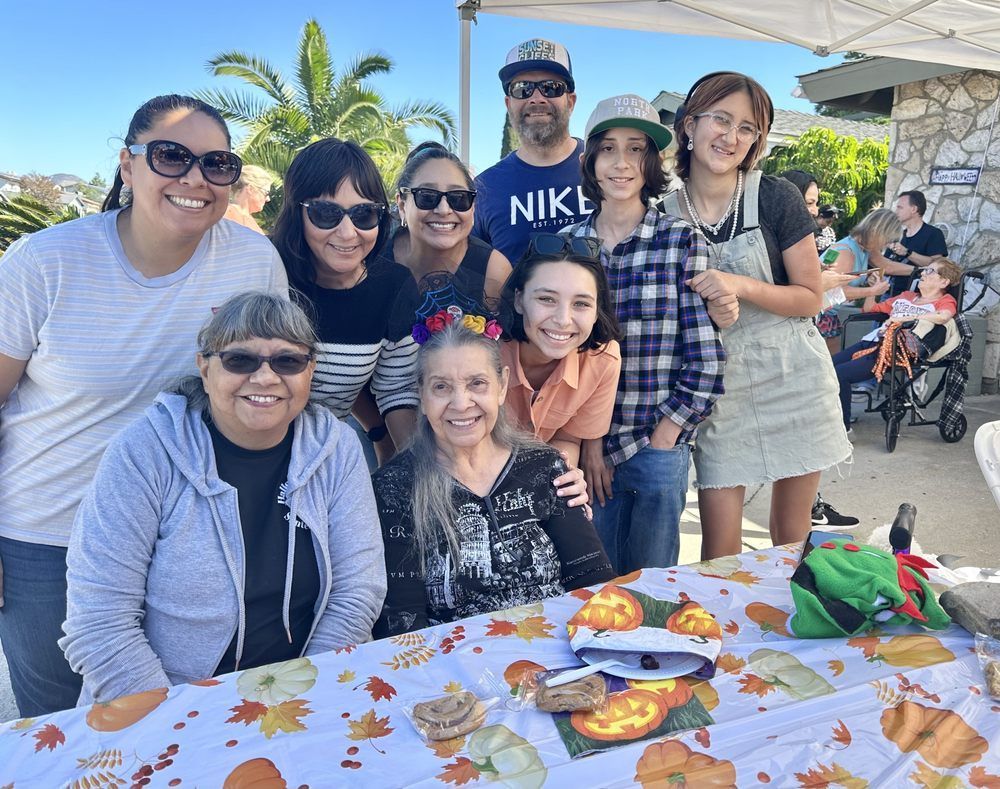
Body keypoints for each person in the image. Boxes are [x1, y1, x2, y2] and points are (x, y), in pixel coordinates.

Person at [0, 94, 287, 717]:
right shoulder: (43, 263)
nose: (194, 178)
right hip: (49, 534)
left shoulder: (252, 262)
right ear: (127, 166)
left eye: (217, 164)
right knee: (62, 727)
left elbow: (272, 389)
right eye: (170, 156)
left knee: (176, 718)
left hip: (189, 533)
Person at [60, 293, 385, 703]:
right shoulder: (144, 453)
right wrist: (181, 723)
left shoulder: (336, 449)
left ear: (310, 371)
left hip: (304, 690)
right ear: (205, 368)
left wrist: (308, 696)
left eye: (287, 361)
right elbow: (100, 622)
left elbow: (358, 590)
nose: (265, 378)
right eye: (240, 360)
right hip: (166, 701)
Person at [662, 72, 852, 560]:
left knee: (791, 539)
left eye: (748, 128)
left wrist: (738, 285)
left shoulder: (776, 196)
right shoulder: (661, 214)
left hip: (794, 375)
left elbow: (810, 296)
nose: (731, 137)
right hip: (717, 390)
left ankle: (790, 631)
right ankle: (719, 635)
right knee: (720, 551)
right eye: (720, 119)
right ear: (689, 125)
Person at [565, 94, 727, 574]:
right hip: (587, 445)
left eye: (636, 149)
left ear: (652, 161)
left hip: (659, 440)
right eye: (608, 148)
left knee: (654, 578)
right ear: (589, 161)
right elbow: (567, 357)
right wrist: (589, 443)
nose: (621, 163)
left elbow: (707, 358)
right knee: (596, 579)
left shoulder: (680, 240)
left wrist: (666, 435)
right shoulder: (572, 246)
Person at [372, 323, 614, 637]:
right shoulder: (394, 487)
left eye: (477, 383)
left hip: (560, 654)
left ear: (501, 387)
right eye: (441, 387)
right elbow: (402, 623)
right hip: (453, 670)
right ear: (421, 393)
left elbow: (592, 577)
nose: (461, 403)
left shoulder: (543, 465)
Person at [270, 138, 419, 462]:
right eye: (326, 213)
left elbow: (397, 390)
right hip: (249, 456)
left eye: (364, 214)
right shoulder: (267, 273)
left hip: (324, 459)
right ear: (297, 212)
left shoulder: (392, 288)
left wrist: (412, 472)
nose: (348, 232)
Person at [499, 240, 623, 467]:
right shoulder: (483, 353)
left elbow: (567, 438)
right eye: (547, 299)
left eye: (581, 304)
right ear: (519, 300)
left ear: (597, 311)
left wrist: (559, 480)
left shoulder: (603, 361)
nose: (563, 320)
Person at [780, 174, 858, 529]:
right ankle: (812, 509)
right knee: (802, 448)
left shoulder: (807, 237)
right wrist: (819, 285)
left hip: (803, 348)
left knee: (806, 452)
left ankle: (814, 505)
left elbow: (815, 298)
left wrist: (828, 285)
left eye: (815, 202)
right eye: (809, 202)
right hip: (789, 357)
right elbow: (798, 299)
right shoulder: (782, 236)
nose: (815, 210)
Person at [472, 38, 593, 263]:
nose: (537, 98)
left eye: (551, 87)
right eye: (522, 89)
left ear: (571, 101)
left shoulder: (606, 168)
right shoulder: (483, 190)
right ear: (509, 104)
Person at [832, 259, 962, 431]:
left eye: (930, 271)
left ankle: (843, 428)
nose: (922, 274)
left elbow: (943, 317)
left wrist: (903, 319)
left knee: (841, 374)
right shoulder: (906, 296)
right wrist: (872, 290)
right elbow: (869, 310)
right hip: (872, 341)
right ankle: (830, 416)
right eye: (924, 270)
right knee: (827, 366)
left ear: (944, 281)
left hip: (896, 350)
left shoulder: (945, 300)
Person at [391, 142, 512, 314]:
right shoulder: (373, 259)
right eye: (427, 196)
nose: (444, 210)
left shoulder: (494, 271)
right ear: (402, 205)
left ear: (473, 207)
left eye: (459, 198)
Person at [817, 208, 899, 352]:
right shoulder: (846, 252)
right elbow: (835, 290)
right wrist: (871, 291)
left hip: (828, 315)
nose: (887, 245)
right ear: (878, 233)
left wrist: (868, 277)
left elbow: (886, 266)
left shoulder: (861, 249)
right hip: (818, 314)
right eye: (887, 240)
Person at [880, 190, 949, 297]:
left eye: (900, 207)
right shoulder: (897, 236)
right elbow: (885, 264)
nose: (896, 211)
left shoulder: (933, 234)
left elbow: (937, 265)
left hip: (916, 297)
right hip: (889, 294)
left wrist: (907, 253)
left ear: (914, 209)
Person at [224, 165, 274, 234]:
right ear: (251, 189)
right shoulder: (227, 216)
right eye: (266, 193)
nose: (268, 199)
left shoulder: (247, 219)